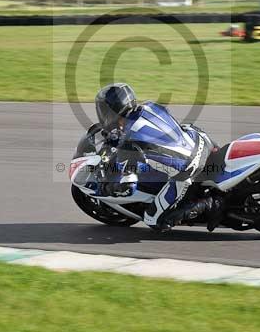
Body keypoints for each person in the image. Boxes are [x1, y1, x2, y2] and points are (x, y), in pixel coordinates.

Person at [93, 83, 223, 232]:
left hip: (188, 168)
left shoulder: (129, 143)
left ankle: (210, 204)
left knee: (154, 220)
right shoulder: (148, 106)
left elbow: (128, 185)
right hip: (200, 140)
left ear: (112, 111)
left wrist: (110, 187)